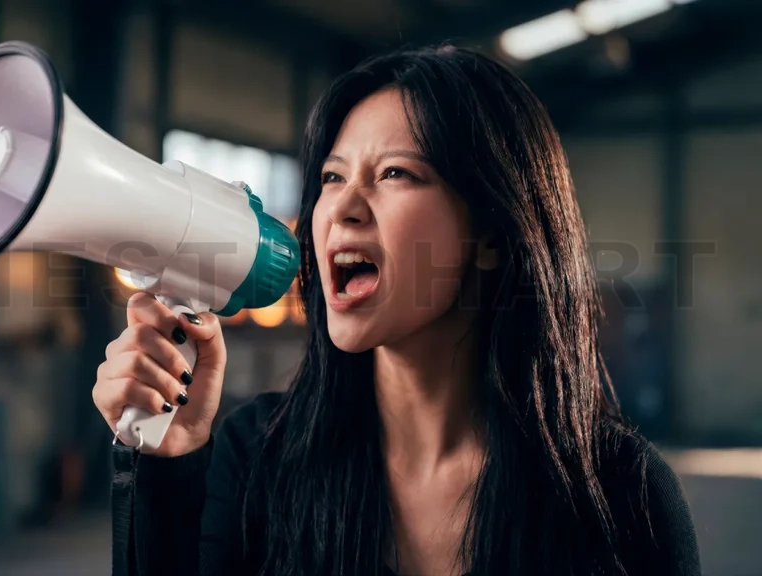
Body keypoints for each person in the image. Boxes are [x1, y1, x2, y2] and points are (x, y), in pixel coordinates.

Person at [92, 45, 701, 576]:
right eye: (332, 177)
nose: (343, 207)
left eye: (394, 173)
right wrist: (166, 463)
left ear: (492, 233)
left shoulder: (623, 495)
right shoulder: (258, 456)